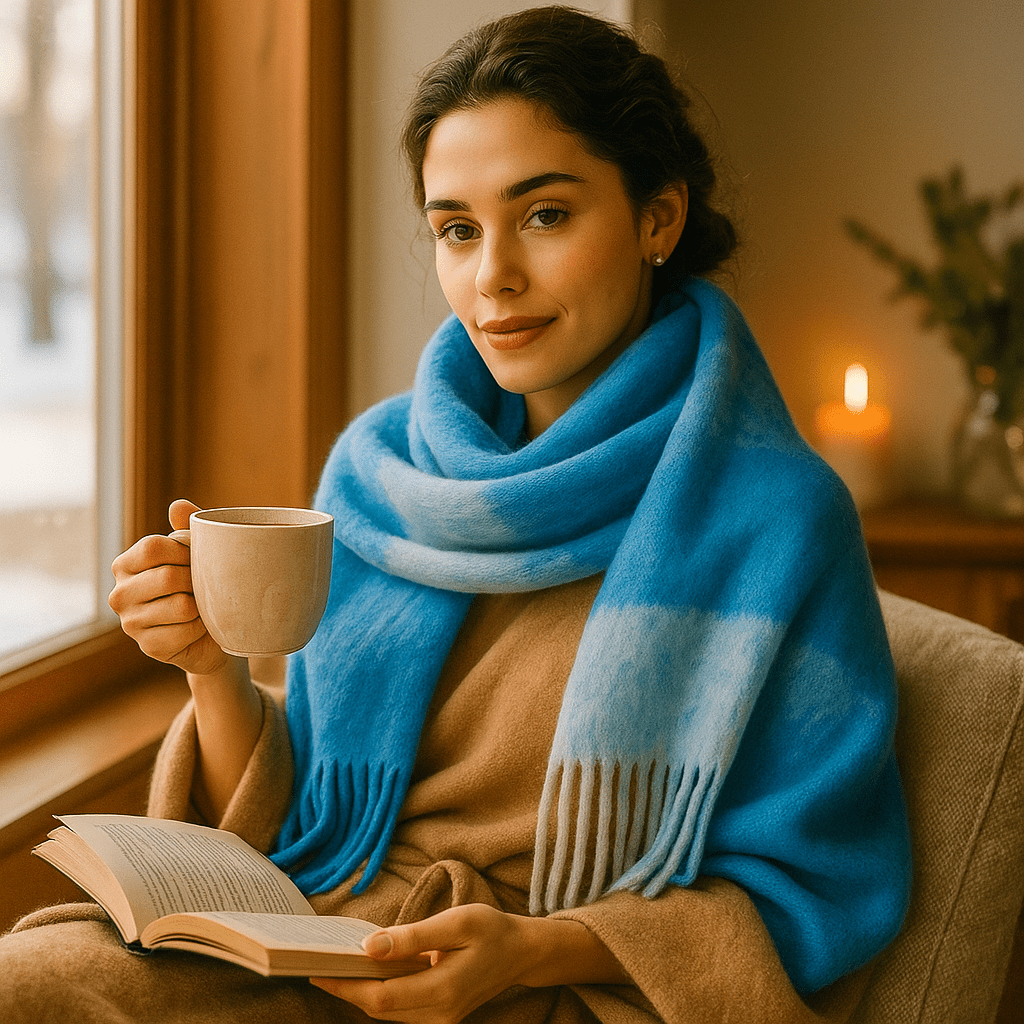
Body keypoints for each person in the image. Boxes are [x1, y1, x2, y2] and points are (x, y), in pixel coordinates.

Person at [0, 7, 911, 1023]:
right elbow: (302, 821)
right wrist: (209, 665)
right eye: (457, 230)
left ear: (658, 217)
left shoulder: (777, 518)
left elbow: (819, 885)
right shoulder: (377, 472)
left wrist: (527, 950)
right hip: (320, 934)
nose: (493, 280)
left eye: (545, 215)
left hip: (558, 981)